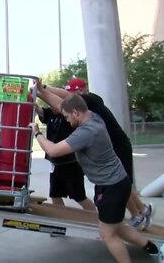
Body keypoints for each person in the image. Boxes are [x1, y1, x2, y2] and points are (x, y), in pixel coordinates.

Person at [29, 93, 164, 263]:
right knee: (117, 227)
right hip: (112, 183)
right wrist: (39, 97)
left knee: (107, 234)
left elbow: (53, 150)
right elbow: (61, 106)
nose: (66, 120)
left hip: (112, 187)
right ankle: (155, 250)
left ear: (75, 112)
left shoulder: (86, 132)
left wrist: (37, 133)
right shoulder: (94, 117)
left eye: (66, 117)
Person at [38, 78, 153, 231]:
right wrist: (40, 91)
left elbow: (64, 101)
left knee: (118, 182)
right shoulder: (83, 107)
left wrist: (42, 89)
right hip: (108, 144)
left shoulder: (90, 100)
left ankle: (137, 215)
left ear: (81, 91)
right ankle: (142, 210)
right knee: (120, 181)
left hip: (117, 145)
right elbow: (62, 104)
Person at [35, 103, 96, 211]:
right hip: (55, 164)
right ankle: (60, 217)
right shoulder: (50, 113)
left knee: (79, 197)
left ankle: (95, 218)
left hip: (71, 163)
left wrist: (37, 133)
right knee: (55, 194)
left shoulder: (68, 116)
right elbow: (38, 110)